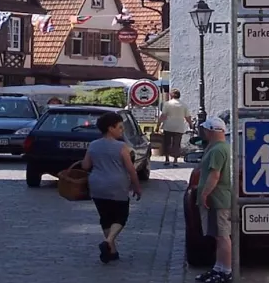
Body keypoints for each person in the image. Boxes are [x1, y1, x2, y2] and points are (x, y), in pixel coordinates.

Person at [80, 111, 143, 263]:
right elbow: (131, 169)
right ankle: (109, 242)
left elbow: (85, 165)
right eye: (120, 127)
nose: (122, 130)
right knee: (121, 216)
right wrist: (137, 186)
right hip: (117, 185)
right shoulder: (122, 147)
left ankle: (112, 251)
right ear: (110, 128)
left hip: (97, 185)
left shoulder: (93, 145)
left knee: (105, 217)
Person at [195, 116, 233, 283]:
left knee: (222, 235)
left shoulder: (218, 149)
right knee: (217, 235)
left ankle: (226, 270)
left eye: (205, 129)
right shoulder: (218, 147)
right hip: (217, 198)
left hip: (217, 199)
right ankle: (218, 267)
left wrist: (204, 194)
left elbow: (214, 174)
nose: (203, 132)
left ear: (210, 131)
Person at [158, 89, 191, 165]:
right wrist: (191, 125)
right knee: (177, 144)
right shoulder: (183, 105)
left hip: (168, 126)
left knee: (167, 143)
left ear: (171, 95)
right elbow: (187, 117)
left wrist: (158, 125)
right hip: (179, 126)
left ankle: (167, 159)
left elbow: (163, 116)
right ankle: (175, 160)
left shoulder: (167, 104)